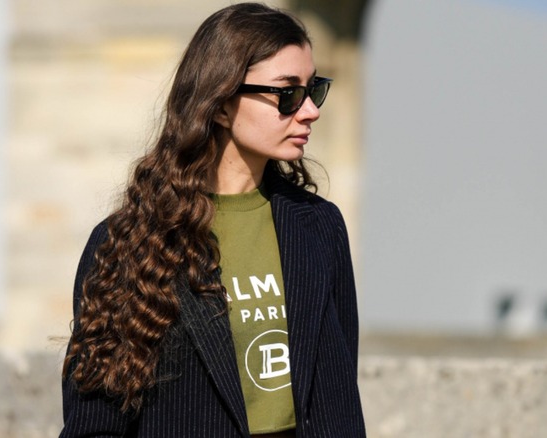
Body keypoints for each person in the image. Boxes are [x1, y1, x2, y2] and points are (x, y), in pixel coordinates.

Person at [60, 3, 365, 437]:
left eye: (313, 89)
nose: (310, 111)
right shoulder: (130, 241)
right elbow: (95, 423)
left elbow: (339, 396)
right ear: (221, 104)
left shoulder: (320, 227)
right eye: (287, 94)